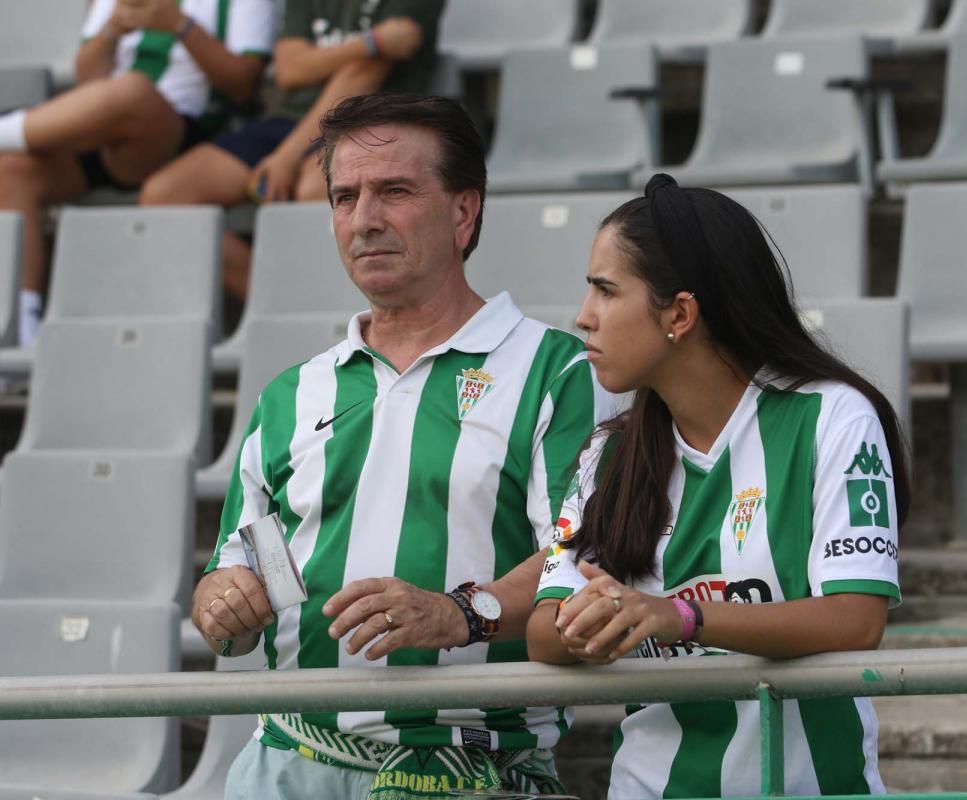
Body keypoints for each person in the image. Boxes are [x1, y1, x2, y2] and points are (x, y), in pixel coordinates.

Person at [192, 93, 613, 798]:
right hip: (287, 765)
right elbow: (239, 568)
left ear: (463, 212)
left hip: (473, 769)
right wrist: (222, 601)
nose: (365, 221)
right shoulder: (290, 394)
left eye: (394, 191)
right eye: (345, 197)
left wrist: (458, 613)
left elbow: (582, 557)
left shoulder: (553, 370)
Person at [527, 175, 911, 798]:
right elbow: (545, 629)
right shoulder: (608, 453)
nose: (583, 316)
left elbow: (855, 618)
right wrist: (591, 620)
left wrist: (680, 616)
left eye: (605, 290)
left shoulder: (832, 417)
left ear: (679, 314)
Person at [0, 0, 274, 346]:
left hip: (187, 132)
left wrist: (180, 26)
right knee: (13, 170)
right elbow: (88, 78)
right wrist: (112, 31)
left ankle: (7, 130)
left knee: (135, 91)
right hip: (107, 130)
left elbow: (243, 83)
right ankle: (18, 336)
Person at [140, 0, 445, 302]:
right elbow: (290, 70)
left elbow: (361, 75)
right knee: (165, 197)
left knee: (317, 188)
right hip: (286, 122)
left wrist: (287, 156)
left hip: (371, 122)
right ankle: (280, 306)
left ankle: (329, 313)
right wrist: (372, 41)